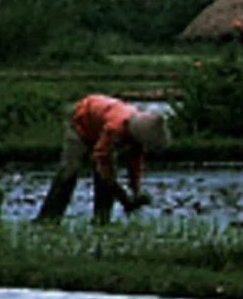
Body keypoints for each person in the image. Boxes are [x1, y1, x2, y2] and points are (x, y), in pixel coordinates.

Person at [36, 94, 171, 223]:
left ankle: (102, 219)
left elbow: (134, 164)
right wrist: (119, 191)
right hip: (81, 124)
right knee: (70, 170)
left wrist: (136, 191)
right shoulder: (115, 128)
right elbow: (100, 156)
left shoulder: (137, 134)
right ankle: (49, 217)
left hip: (100, 123)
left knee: (105, 176)